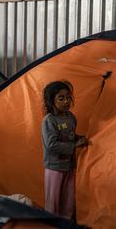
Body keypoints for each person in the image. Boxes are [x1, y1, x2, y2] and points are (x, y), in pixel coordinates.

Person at [41, 80, 88, 219]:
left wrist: (80, 138)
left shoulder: (71, 117)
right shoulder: (49, 120)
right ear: (51, 101)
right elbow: (51, 145)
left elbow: (70, 136)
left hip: (69, 166)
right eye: (61, 98)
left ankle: (66, 223)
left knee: (68, 201)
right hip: (54, 167)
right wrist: (74, 146)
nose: (66, 101)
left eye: (68, 97)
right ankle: (50, 224)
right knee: (53, 202)